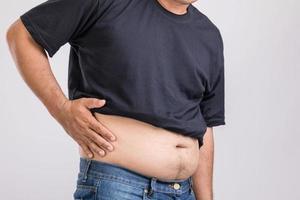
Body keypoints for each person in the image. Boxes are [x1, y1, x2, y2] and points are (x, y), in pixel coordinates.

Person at [6, 0, 225, 199]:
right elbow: (21, 34)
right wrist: (61, 109)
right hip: (117, 186)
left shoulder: (209, 36)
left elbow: (204, 125)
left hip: (183, 192)